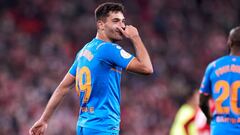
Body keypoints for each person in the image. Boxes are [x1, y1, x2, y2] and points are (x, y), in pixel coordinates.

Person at [29, 2, 153, 135]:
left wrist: (44, 120)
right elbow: (147, 68)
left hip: (84, 126)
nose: (122, 26)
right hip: (103, 126)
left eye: (123, 21)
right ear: (100, 24)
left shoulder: (83, 51)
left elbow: (63, 88)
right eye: (116, 21)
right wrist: (135, 37)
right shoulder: (109, 49)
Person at [199, 26, 240, 135]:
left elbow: (202, 101)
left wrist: (209, 118)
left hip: (220, 129)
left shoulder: (213, 66)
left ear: (229, 42)